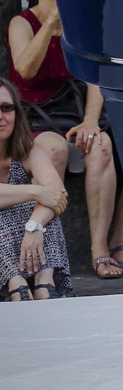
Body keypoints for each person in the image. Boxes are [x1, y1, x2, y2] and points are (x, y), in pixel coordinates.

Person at [8, 0, 123, 278]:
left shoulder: (83, 22)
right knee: (53, 149)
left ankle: (100, 251)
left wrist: (91, 121)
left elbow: (95, 75)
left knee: (101, 143)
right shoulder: (22, 23)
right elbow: (25, 70)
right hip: (32, 117)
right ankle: (47, 253)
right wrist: (50, 22)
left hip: (73, 110)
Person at [1, 73, 71, 300]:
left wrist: (34, 227)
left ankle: (44, 281)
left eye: (6, 108)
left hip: (28, 244)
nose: (0, 117)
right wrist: (36, 190)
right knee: (31, 201)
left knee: (46, 209)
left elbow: (57, 193)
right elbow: (46, 191)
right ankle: (15, 283)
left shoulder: (29, 150)